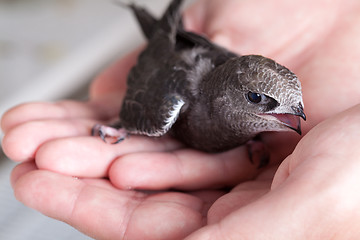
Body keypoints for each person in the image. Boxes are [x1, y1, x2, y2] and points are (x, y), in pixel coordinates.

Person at [2, 0, 360, 239]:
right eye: (257, 100)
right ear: (227, 97)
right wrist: (123, 125)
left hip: (202, 55)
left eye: (293, 103)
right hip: (172, 57)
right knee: (147, 118)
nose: (296, 115)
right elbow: (175, 60)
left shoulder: (241, 92)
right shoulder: (174, 95)